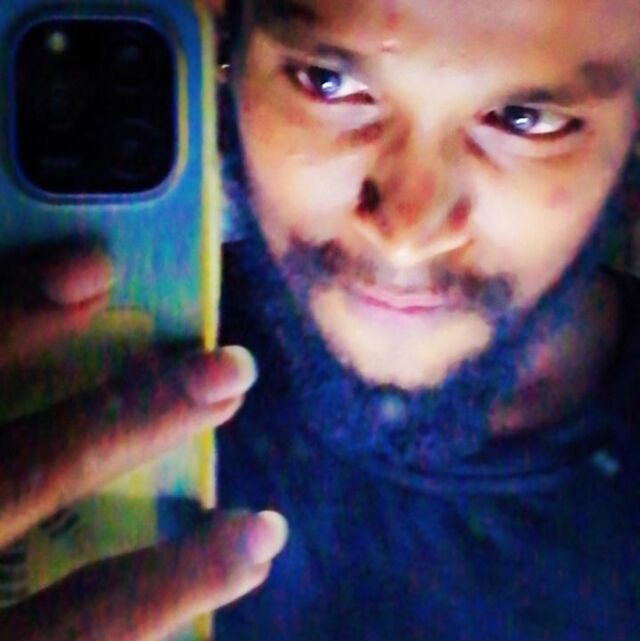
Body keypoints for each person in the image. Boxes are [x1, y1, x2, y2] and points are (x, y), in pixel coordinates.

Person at [1, 0, 640, 639]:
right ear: (228, 60)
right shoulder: (56, 378)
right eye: (327, 83)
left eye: (526, 121)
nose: (405, 237)